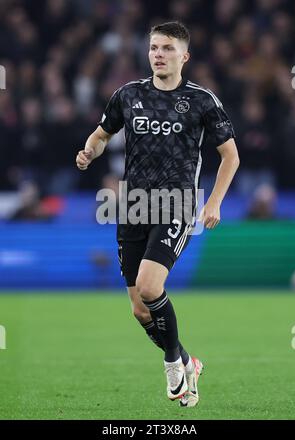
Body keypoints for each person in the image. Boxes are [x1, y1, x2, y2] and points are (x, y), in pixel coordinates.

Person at [76, 21, 239, 407]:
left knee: (150, 288)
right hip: (133, 206)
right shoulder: (128, 95)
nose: (158, 55)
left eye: (167, 48)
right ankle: (188, 360)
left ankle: (172, 363)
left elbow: (229, 155)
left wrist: (213, 202)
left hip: (177, 205)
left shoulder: (202, 101)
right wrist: (88, 151)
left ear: (185, 56)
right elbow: (101, 135)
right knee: (138, 309)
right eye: (153, 48)